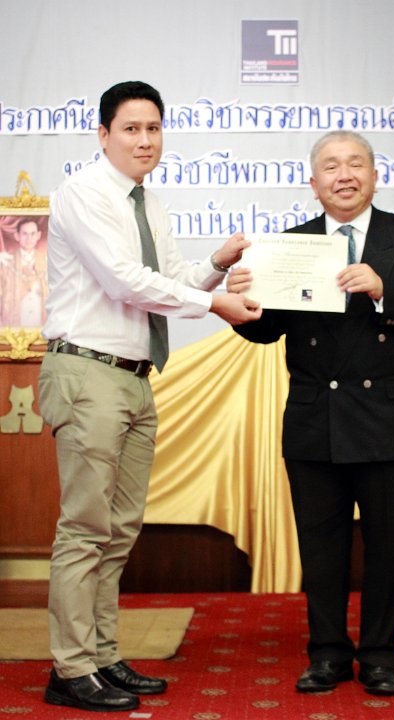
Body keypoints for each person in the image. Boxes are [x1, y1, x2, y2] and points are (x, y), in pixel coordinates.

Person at [38, 80, 261, 714]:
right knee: (85, 528)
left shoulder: (148, 202)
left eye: (154, 128)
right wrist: (215, 305)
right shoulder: (83, 193)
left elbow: (168, 279)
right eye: (131, 128)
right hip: (88, 372)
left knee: (119, 529)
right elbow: (124, 281)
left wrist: (216, 264)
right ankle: (70, 668)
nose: (145, 140)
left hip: (134, 376)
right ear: (103, 134)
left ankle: (102, 655)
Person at [228, 130, 394, 697]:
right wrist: (239, 303)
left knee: (387, 548)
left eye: (356, 164)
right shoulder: (291, 244)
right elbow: (267, 330)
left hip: (387, 421)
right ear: (314, 183)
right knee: (321, 550)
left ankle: (380, 656)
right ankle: (328, 654)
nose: (344, 175)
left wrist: (384, 288)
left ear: (375, 176)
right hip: (316, 420)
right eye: (331, 167)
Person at [0, 217, 48, 327]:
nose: (29, 238)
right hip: (13, 324)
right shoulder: (6, 262)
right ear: (17, 236)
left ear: (38, 235)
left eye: (32, 234)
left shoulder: (47, 262)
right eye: (24, 234)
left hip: (41, 322)